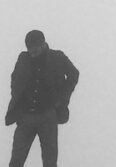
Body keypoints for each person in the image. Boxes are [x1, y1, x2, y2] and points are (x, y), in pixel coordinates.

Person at [5, 30, 79, 167]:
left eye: (34, 48)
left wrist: (62, 100)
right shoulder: (23, 58)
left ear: (43, 44)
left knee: (50, 161)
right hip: (25, 117)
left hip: (48, 116)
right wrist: (18, 103)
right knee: (16, 161)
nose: (32, 52)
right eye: (29, 49)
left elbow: (74, 74)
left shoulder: (57, 57)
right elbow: (14, 79)